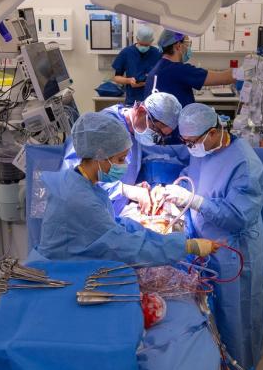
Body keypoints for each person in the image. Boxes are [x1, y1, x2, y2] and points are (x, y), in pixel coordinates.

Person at [155, 103, 263, 370]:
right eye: (185, 142)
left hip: (235, 251)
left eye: (193, 142)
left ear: (215, 132)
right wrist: (179, 189)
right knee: (212, 311)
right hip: (207, 241)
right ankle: (216, 366)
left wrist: (194, 201)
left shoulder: (246, 164)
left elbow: (237, 216)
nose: (190, 147)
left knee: (237, 316)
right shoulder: (204, 147)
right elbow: (194, 174)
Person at [32, 112, 219, 263]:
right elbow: (124, 246)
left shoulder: (83, 182)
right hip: (61, 274)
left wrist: (149, 233)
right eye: (121, 159)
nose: (124, 165)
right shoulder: (80, 199)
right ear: (99, 155)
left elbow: (116, 225)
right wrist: (185, 246)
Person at [62, 91, 182, 215]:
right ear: (141, 112)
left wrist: (134, 187)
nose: (156, 137)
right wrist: (123, 189)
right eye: (157, 131)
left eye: (162, 136)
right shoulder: (103, 128)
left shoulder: (134, 131)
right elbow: (75, 174)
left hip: (110, 212)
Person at [143, 30, 237, 107]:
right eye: (187, 44)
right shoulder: (179, 70)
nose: (188, 48)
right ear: (178, 46)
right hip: (176, 128)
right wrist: (246, 69)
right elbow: (225, 78)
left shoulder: (157, 68)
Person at [111, 24, 162, 106]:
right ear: (137, 39)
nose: (144, 47)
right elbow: (116, 78)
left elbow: (161, 77)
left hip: (152, 102)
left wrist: (146, 83)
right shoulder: (126, 53)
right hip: (132, 102)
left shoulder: (156, 53)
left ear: (151, 42)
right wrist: (129, 80)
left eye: (146, 45)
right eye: (141, 44)